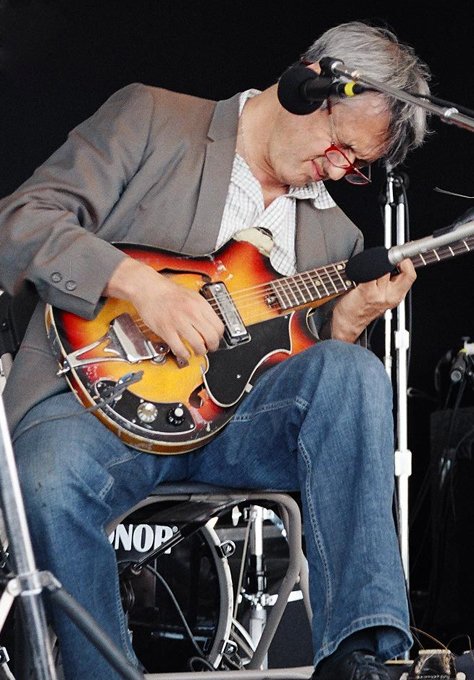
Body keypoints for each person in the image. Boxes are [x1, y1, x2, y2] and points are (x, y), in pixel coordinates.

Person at [0, 20, 431, 680]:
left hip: (237, 428)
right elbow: (20, 222)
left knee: (353, 370)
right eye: (341, 146)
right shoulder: (152, 118)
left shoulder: (336, 237)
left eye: (356, 166)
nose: (338, 169)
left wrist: (343, 326)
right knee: (47, 481)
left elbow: (321, 403)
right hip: (95, 404)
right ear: (307, 84)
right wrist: (139, 286)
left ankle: (362, 654)